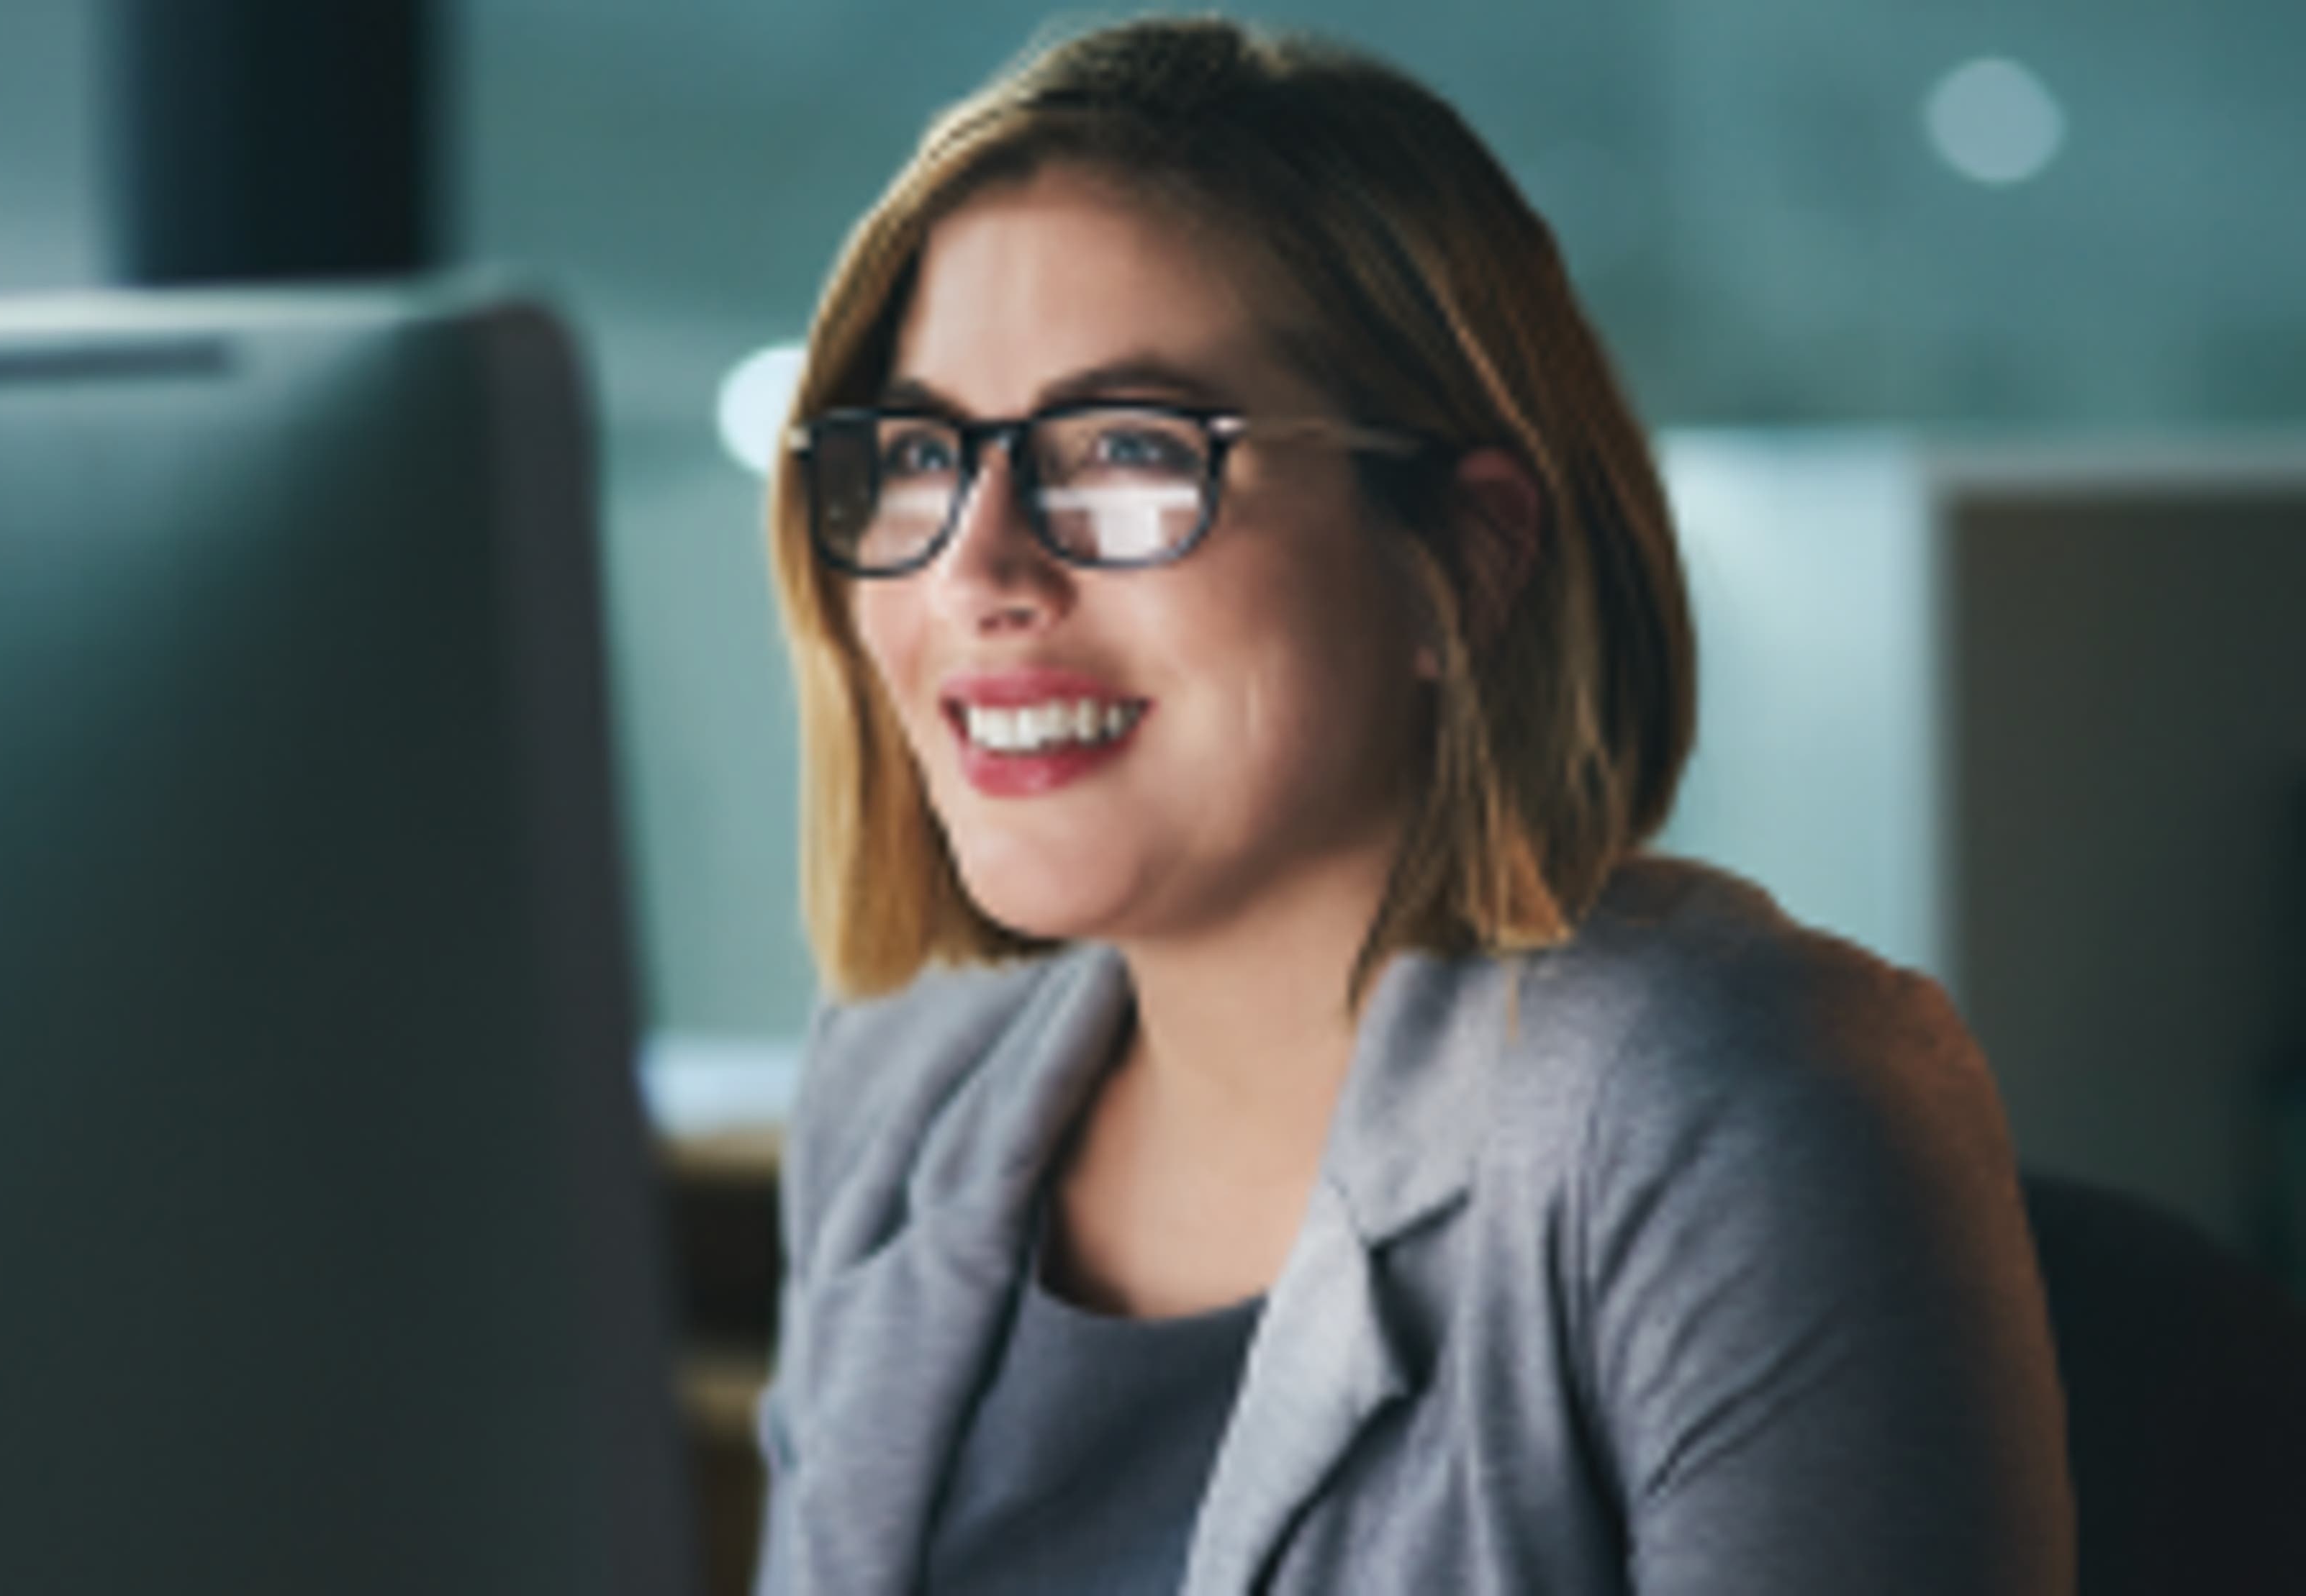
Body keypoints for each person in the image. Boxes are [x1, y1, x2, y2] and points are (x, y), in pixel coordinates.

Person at [750, 17, 2074, 1595]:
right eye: (916, 453)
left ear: (1466, 555)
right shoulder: (901, 1090)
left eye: (1124, 450)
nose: (975, 572)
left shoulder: (1729, 1111)